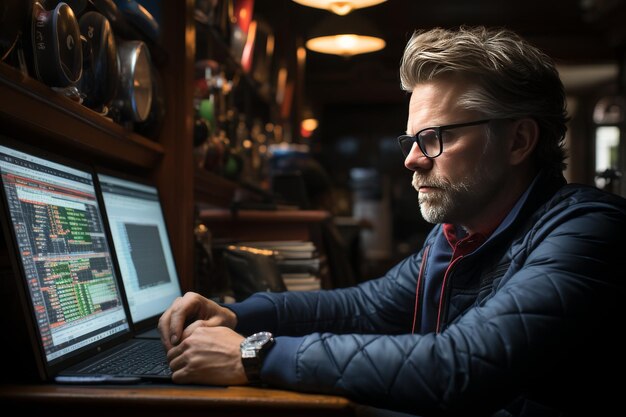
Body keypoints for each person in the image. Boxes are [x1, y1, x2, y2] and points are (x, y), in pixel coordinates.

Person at [159, 26, 626, 416]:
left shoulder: (587, 230)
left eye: (435, 137)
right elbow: (363, 307)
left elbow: (460, 365)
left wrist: (254, 355)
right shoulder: (456, 235)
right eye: (412, 139)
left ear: (518, 141)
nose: (412, 160)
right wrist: (239, 314)